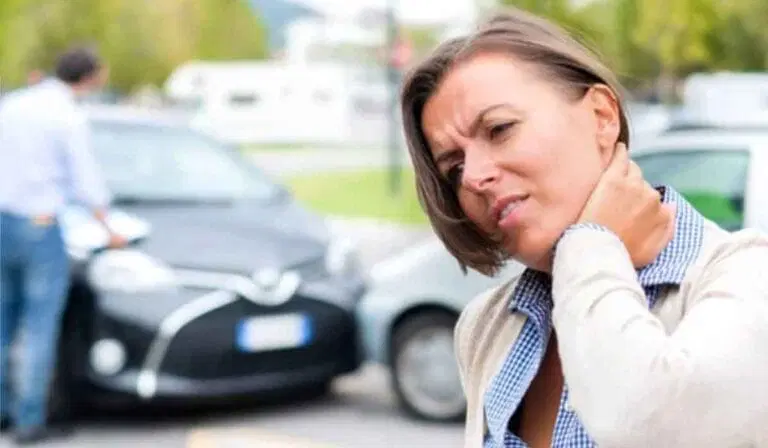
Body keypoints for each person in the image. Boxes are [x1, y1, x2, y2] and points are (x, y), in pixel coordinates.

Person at [400, 8, 768, 448]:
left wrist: (591, 244)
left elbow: (653, 423)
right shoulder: (486, 325)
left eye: (499, 129)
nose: (475, 176)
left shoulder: (746, 276)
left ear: (602, 116)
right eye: (454, 167)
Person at [0, 46, 125, 444]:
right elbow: (87, 181)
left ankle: (3, 408)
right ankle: (29, 420)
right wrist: (109, 227)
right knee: (39, 326)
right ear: (90, 77)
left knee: (2, 322)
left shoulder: (14, 105)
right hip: (39, 225)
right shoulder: (67, 117)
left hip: (3, 222)